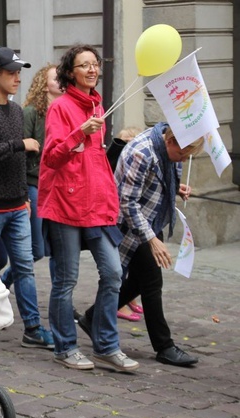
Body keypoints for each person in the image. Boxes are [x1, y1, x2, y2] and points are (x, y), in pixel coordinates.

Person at [38, 44, 138, 372]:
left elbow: (94, 161)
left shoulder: (97, 106)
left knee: (113, 274)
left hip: (96, 206)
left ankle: (106, 346)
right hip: (66, 205)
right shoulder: (61, 108)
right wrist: (79, 133)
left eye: (95, 64)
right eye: (84, 65)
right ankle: (65, 347)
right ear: (71, 73)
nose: (92, 70)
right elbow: (51, 156)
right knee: (66, 280)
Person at [80, 125, 202, 367]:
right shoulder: (142, 151)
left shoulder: (167, 150)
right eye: (183, 155)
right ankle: (164, 346)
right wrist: (151, 239)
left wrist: (174, 188)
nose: (183, 160)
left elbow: (158, 179)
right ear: (171, 141)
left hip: (151, 219)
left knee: (138, 281)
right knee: (152, 280)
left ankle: (93, 317)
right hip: (129, 225)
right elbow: (127, 202)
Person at [0, 47, 54, 350]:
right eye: (12, 73)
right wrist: (19, 144)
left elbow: (18, 163)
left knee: (26, 268)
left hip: (18, 206)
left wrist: (24, 196)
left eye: (19, 72)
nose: (18, 78)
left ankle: (32, 327)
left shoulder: (17, 111)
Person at [1, 63, 62, 287]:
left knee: (58, 250)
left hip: (59, 188)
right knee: (36, 250)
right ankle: (3, 281)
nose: (61, 82)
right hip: (35, 185)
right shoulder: (30, 113)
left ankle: (61, 300)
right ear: (43, 85)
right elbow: (21, 153)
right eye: (56, 78)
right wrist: (24, 193)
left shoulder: (65, 111)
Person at [109, 126, 145, 322]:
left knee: (133, 264)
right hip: (119, 216)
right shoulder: (119, 158)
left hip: (133, 216)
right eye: (126, 143)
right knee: (119, 263)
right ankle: (119, 301)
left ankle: (128, 297)